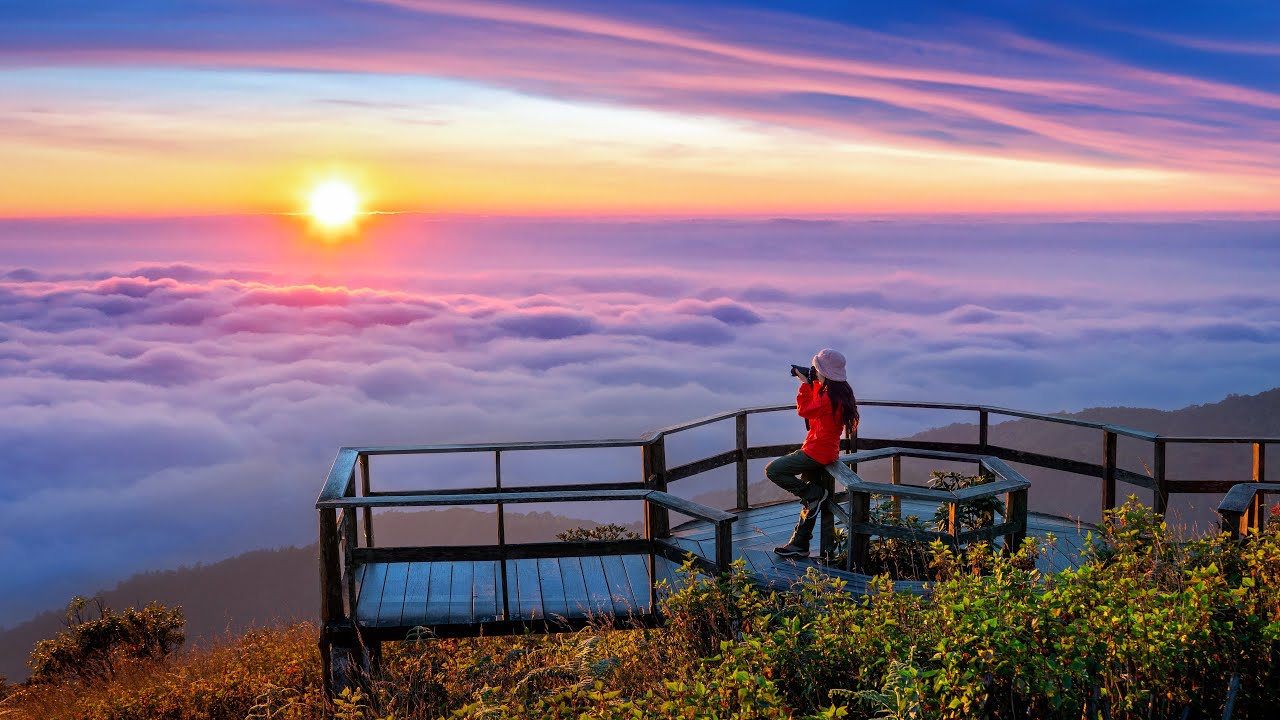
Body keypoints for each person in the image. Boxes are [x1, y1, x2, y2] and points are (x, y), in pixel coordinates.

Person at [768, 348, 859, 558]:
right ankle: (799, 544)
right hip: (823, 449)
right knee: (810, 502)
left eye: (817, 370)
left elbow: (805, 410)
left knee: (774, 470)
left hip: (817, 452)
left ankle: (813, 495)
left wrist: (804, 386)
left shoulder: (828, 398)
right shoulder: (837, 392)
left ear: (825, 373)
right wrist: (813, 382)